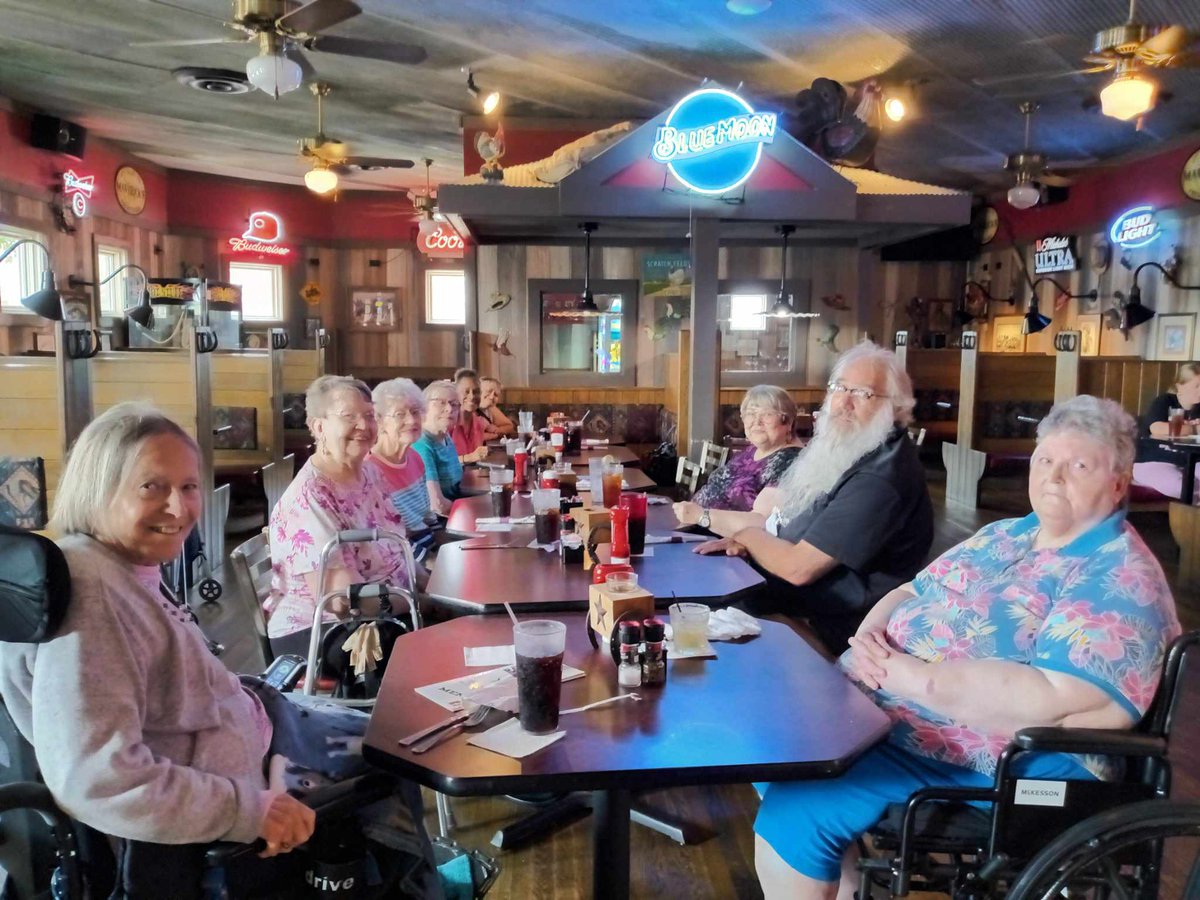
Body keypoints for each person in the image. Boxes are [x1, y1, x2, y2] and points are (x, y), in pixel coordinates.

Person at [0, 403, 440, 897]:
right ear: (99, 487)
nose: (179, 508)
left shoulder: (123, 567)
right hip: (235, 793)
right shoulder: (91, 596)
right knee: (399, 753)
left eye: (189, 487)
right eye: (152, 486)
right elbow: (98, 779)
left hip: (258, 732)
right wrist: (247, 812)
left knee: (397, 731)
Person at [753, 394, 1180, 900]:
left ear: (1117, 483)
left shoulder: (1118, 577)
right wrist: (868, 638)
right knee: (773, 745)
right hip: (901, 717)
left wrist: (902, 674)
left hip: (1005, 765)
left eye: (1079, 465)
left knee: (798, 806)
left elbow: (1062, 703)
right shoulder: (1009, 534)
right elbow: (911, 590)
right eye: (1045, 460)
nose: (1054, 477)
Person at [697, 341, 933, 654]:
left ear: (897, 408)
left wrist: (748, 535)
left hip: (826, 629)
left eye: (863, 393)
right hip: (786, 596)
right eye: (839, 388)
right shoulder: (852, 449)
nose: (844, 403)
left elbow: (799, 568)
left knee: (691, 618)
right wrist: (753, 544)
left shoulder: (880, 478)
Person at [266, 375, 410, 656]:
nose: (364, 426)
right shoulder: (309, 497)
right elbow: (342, 601)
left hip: (386, 611)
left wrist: (440, 586)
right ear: (319, 427)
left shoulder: (370, 472)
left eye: (369, 415)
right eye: (349, 416)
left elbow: (397, 550)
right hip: (323, 631)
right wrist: (420, 600)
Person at [673, 384, 804, 534]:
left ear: (789, 422)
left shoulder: (791, 461)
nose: (757, 421)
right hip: (691, 532)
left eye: (767, 414)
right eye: (750, 414)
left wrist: (701, 516)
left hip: (723, 548)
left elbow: (762, 522)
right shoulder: (752, 450)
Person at [367, 377, 437, 534]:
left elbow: (428, 519)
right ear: (379, 420)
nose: (411, 420)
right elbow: (388, 539)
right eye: (400, 414)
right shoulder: (370, 472)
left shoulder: (415, 457)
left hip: (428, 543)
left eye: (415, 412)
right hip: (403, 553)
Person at [1131, 361, 1200, 503]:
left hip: (1193, 460)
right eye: (1197, 386)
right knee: (1182, 488)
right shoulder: (1165, 401)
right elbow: (1157, 428)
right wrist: (1193, 429)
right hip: (1155, 460)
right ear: (1180, 385)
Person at [412, 379, 467, 516]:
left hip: (455, 513)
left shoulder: (445, 437)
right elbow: (437, 505)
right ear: (423, 408)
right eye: (441, 402)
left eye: (454, 404)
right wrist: (472, 510)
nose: (449, 409)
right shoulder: (422, 445)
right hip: (438, 524)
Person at [449, 368, 493, 463]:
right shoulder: (448, 423)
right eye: (466, 391)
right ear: (456, 394)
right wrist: (470, 457)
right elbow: (440, 462)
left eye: (476, 391)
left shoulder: (479, 423)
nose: (472, 396)